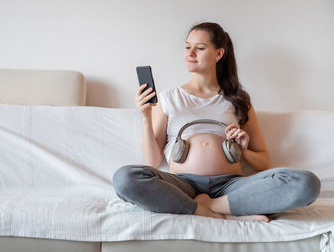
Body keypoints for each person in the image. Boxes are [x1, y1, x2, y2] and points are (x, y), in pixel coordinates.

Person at [112, 22, 321, 222]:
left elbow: (264, 162)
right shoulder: (169, 98)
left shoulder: (239, 99)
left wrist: (244, 150)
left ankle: (213, 206)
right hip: (183, 184)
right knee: (125, 178)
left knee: (306, 183)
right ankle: (208, 211)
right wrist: (145, 115)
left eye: (200, 48)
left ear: (219, 53)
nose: (190, 54)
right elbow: (152, 162)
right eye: (187, 47)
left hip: (230, 185)